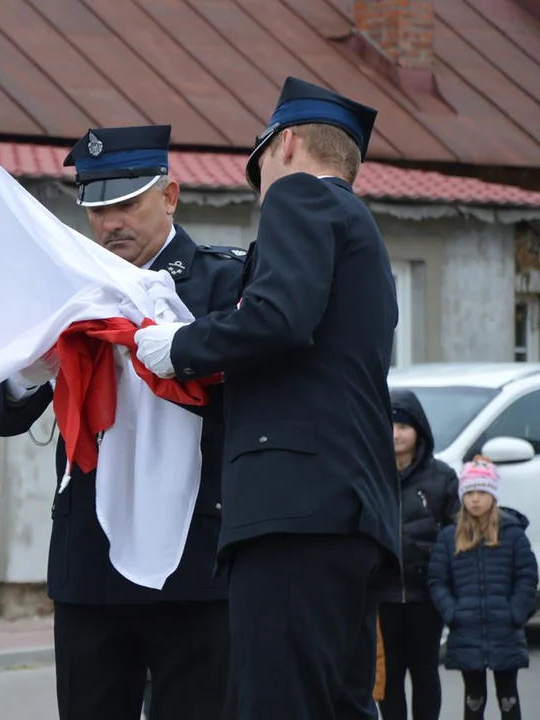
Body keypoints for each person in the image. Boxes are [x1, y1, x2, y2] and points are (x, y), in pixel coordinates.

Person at [133, 76, 402, 719]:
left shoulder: (300, 198)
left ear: (283, 146)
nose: (260, 192)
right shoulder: (362, 232)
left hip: (293, 513)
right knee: (338, 704)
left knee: (280, 704)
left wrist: (186, 346)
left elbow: (281, 317)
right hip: (349, 510)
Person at [0, 124, 245, 720]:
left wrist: (189, 345)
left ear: (170, 195)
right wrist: (31, 372)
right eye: (96, 207)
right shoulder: (69, 290)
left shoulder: (226, 283)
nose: (109, 222)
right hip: (91, 559)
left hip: (196, 558)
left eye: (126, 203)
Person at [427, 456, 538, 720]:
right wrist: (452, 611)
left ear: (493, 495)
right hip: (467, 630)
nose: (475, 499)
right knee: (474, 698)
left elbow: (527, 575)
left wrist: (516, 612)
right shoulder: (449, 537)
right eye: (470, 492)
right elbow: (437, 579)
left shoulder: (512, 534)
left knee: (508, 696)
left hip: (504, 629)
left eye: (482, 492)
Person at [379, 390, 461, 720]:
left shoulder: (441, 478)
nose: (396, 433)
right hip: (381, 595)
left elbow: (456, 534)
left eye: (404, 426)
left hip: (426, 596)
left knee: (425, 672)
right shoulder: (372, 473)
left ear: (419, 430)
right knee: (389, 678)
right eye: (390, 425)